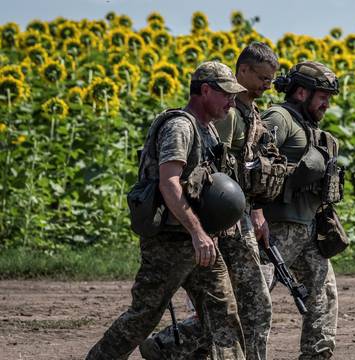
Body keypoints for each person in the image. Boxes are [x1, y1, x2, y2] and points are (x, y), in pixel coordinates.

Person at [85, 61, 247, 360]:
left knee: (224, 314)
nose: (232, 101)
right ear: (205, 90)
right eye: (227, 94)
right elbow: (169, 183)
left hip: (201, 243)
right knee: (143, 318)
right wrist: (197, 232)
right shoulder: (180, 126)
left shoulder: (207, 129)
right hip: (170, 242)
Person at [140, 42, 285, 360]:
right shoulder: (225, 115)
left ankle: (168, 347)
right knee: (244, 304)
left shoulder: (247, 110)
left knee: (232, 304)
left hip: (238, 216)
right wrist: (207, 228)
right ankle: (167, 345)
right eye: (262, 77)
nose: (266, 85)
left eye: (270, 80)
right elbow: (208, 175)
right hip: (223, 221)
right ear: (242, 71)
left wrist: (257, 211)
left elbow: (242, 168)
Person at [260, 61, 341, 360]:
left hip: (308, 227)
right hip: (274, 230)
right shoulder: (278, 118)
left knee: (324, 296)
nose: (327, 104)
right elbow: (253, 167)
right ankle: (173, 346)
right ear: (301, 92)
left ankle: (317, 355)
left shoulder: (309, 126)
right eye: (323, 96)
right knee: (250, 301)